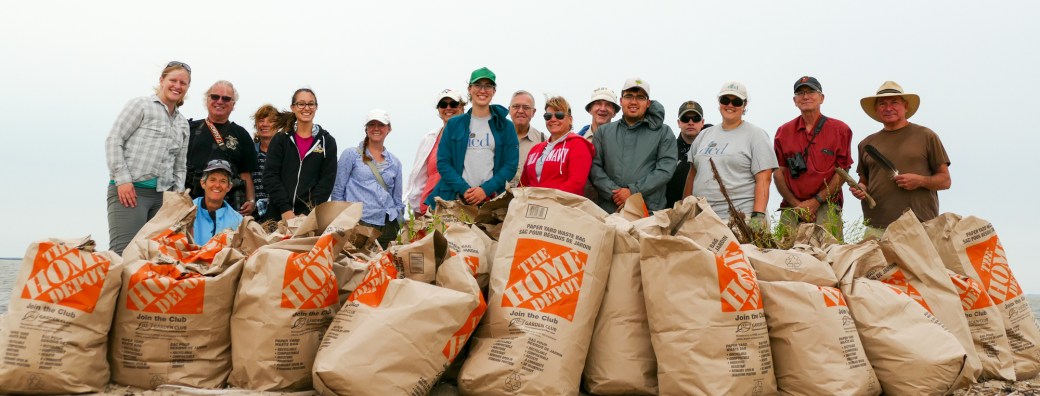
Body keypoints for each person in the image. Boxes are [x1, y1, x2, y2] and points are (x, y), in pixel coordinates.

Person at [105, 61, 192, 254]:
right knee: (123, 253)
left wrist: (176, 199)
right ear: (162, 80)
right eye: (173, 80)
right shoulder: (141, 105)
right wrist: (123, 180)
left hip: (162, 199)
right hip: (131, 192)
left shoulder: (183, 123)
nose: (177, 86)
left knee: (152, 257)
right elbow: (114, 140)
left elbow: (180, 166)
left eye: (183, 83)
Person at [850, 81, 950, 232]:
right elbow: (864, 182)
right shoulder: (866, 144)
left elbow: (945, 180)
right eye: (882, 104)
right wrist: (861, 189)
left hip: (920, 225)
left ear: (906, 106)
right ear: (876, 109)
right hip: (876, 227)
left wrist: (920, 181)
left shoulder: (926, 136)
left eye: (894, 102)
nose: (888, 108)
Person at [683, 81, 778, 229]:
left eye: (737, 101)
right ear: (719, 102)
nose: (730, 105)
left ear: (744, 105)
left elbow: (764, 180)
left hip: (740, 219)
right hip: (703, 221)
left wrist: (757, 220)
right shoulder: (703, 136)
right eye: (725, 100)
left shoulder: (756, 135)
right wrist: (685, 213)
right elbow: (692, 176)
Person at [425, 67, 519, 208]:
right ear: (469, 89)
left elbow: (510, 166)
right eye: (478, 85)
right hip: (455, 201)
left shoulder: (506, 127)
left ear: (494, 91)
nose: (482, 90)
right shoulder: (454, 124)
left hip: (491, 202)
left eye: (488, 86)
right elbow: (443, 163)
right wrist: (464, 190)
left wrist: (484, 190)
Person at [773, 76, 853, 232]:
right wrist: (796, 205)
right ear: (795, 100)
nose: (805, 96)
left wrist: (815, 202)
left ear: (821, 98)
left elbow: (843, 171)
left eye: (811, 92)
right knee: (783, 254)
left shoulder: (840, 129)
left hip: (826, 205)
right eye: (800, 93)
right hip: (791, 207)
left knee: (829, 253)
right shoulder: (783, 132)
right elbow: (778, 172)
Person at [589, 78, 677, 213]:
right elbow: (594, 167)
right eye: (629, 96)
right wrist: (616, 193)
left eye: (640, 97)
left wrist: (633, 191)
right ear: (621, 101)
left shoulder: (664, 132)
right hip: (609, 211)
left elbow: (665, 169)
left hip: (648, 212)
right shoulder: (603, 132)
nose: (634, 102)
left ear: (648, 103)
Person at [332, 109, 405, 249]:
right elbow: (338, 191)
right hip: (358, 223)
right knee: (355, 266)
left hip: (387, 225)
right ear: (366, 129)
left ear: (388, 129)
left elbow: (397, 200)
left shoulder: (395, 162)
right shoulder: (351, 155)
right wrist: (342, 222)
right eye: (372, 124)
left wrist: (399, 223)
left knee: (382, 269)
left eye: (381, 125)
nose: (376, 128)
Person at [262, 88, 338, 220]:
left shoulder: (327, 142)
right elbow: (270, 176)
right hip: (277, 215)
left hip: (309, 218)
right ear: (293, 107)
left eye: (310, 104)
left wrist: (307, 213)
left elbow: (326, 183)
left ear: (316, 107)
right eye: (301, 104)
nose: (306, 108)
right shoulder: (281, 138)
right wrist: (285, 209)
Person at [185, 81, 257, 215]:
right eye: (215, 97)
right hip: (190, 202)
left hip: (228, 206)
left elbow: (245, 173)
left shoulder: (241, 134)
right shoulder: (189, 129)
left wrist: (251, 200)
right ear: (207, 100)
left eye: (226, 98)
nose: (220, 101)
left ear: (233, 104)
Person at [406, 89, 467, 215]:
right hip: (429, 208)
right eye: (443, 105)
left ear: (462, 108)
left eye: (453, 104)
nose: (448, 108)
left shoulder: (472, 137)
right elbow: (420, 177)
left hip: (458, 208)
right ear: (439, 110)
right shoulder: (429, 138)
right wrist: (417, 209)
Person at [519, 96, 594, 196]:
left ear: (570, 120)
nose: (553, 119)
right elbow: (523, 184)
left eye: (559, 115)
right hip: (533, 207)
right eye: (548, 116)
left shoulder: (578, 144)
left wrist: (546, 199)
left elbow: (576, 184)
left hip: (562, 207)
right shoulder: (535, 150)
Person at [665, 100, 713, 208]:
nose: (690, 122)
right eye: (685, 118)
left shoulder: (714, 148)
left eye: (696, 119)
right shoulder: (668, 149)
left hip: (707, 211)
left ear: (702, 122)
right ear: (678, 123)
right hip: (674, 213)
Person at [193, 160, 244, 245]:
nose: (217, 185)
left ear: (229, 187)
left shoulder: (238, 220)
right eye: (212, 180)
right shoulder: (187, 211)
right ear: (203, 183)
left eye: (223, 181)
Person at [510, 90, 547, 184]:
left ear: (533, 112)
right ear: (509, 110)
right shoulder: (496, 136)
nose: (521, 111)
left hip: (529, 196)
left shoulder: (543, 141)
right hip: (498, 196)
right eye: (516, 106)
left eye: (526, 107)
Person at [251, 104, 279, 221]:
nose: (265, 124)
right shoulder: (250, 152)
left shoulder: (286, 153)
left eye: (270, 121)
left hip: (279, 211)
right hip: (253, 213)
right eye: (261, 120)